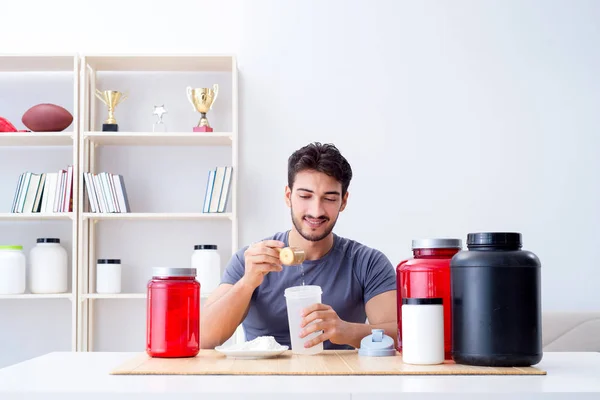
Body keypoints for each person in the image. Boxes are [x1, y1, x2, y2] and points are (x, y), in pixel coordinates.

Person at [201, 142, 397, 350]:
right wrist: (248, 282)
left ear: (344, 201)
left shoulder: (367, 263)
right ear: (288, 196)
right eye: (305, 196)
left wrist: (348, 331)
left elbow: (401, 334)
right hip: (263, 380)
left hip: (339, 379)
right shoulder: (250, 260)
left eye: (329, 198)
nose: (316, 210)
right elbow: (204, 338)